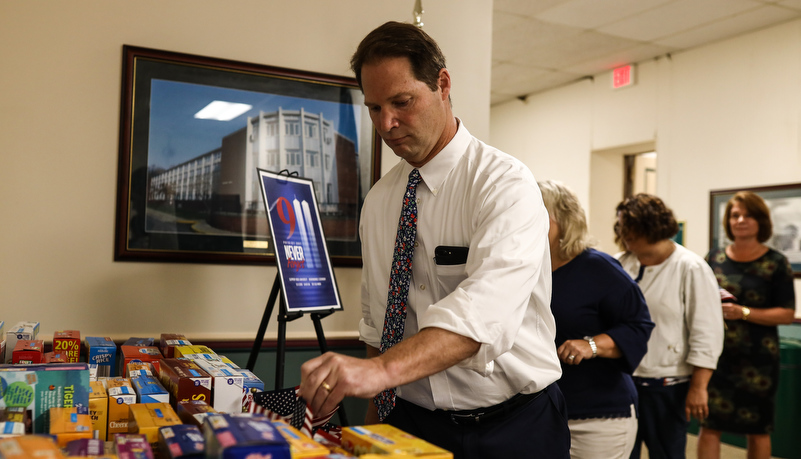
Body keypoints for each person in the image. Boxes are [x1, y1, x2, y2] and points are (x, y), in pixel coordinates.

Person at [299, 21, 570, 459]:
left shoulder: (504, 184)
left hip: (514, 427)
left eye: (402, 102)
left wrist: (380, 371)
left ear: (442, 84)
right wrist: (372, 427)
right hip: (408, 422)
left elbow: (483, 315)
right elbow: (379, 325)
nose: (386, 123)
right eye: (373, 108)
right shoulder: (380, 202)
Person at [539, 180, 654, 459]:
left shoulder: (598, 268)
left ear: (564, 221)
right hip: (542, 413)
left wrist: (590, 345)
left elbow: (638, 326)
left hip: (597, 417)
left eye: (538, 214)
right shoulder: (527, 270)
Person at [614, 193, 724, 459]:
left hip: (668, 387)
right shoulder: (618, 263)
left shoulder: (691, 267)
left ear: (652, 226)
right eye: (620, 225)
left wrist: (699, 388)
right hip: (623, 381)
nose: (623, 232)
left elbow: (707, 332)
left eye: (630, 225)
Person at [697, 191, 796, 459]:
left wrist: (743, 312)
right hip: (716, 357)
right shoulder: (713, 259)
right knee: (709, 424)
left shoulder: (776, 262)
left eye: (748, 215)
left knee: (758, 429)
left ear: (761, 221)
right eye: (735, 215)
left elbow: (787, 314)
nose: (740, 220)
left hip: (759, 362)